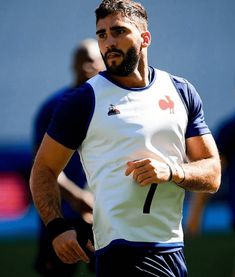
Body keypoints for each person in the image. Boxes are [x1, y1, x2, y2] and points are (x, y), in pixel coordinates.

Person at [30, 1, 221, 276]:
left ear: (145, 38)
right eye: (102, 34)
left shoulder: (181, 91)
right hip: (120, 251)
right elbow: (43, 169)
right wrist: (57, 227)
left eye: (118, 31)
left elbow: (212, 173)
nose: (108, 42)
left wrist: (171, 171)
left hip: (173, 250)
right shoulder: (83, 100)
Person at [33, 38, 105, 276]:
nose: (87, 66)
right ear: (72, 65)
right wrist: (78, 198)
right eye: (81, 61)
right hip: (62, 216)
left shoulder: (117, 107)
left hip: (105, 219)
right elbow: (42, 167)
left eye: (93, 61)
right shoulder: (53, 107)